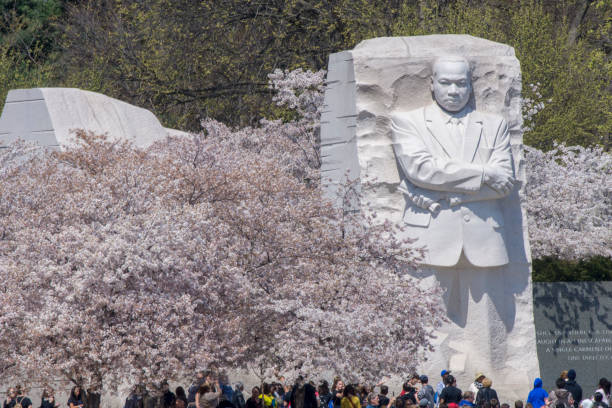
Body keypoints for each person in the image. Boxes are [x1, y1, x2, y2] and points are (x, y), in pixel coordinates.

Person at [391, 55, 516, 268]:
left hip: (485, 240)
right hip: (427, 239)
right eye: (445, 83)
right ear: (432, 84)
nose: (453, 91)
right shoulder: (408, 122)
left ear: (470, 85)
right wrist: (485, 174)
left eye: (460, 83)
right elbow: (422, 170)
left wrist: (442, 193)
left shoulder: (495, 125)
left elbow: (504, 184)